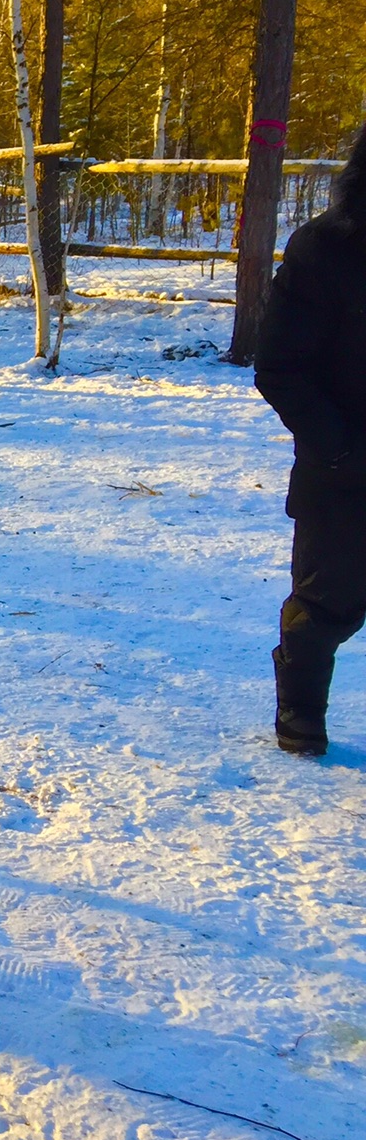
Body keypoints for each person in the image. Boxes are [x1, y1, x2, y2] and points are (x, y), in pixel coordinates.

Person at [255, 122, 366, 756]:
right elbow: (280, 367)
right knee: (325, 606)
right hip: (347, 472)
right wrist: (340, 449)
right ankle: (300, 711)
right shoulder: (326, 250)